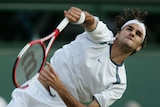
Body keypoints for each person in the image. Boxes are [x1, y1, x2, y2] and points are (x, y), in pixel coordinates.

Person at [7, 7, 148, 107]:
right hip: (34, 88)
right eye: (129, 29)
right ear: (118, 33)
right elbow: (90, 20)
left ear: (139, 46)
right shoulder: (103, 36)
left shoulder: (119, 84)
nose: (132, 33)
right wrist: (80, 16)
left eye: (138, 34)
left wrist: (59, 87)